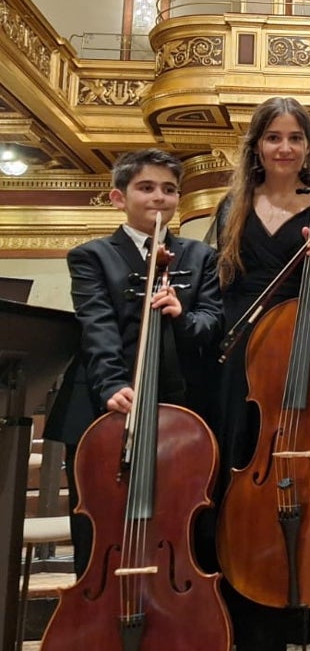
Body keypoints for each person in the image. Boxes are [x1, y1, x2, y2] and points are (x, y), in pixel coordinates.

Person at [204, 96, 310, 651]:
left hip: (302, 369)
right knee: (240, 505)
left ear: (308, 148)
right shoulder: (231, 210)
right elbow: (218, 290)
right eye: (273, 137)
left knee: (297, 501)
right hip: (240, 367)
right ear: (255, 146)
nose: (284, 148)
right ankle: (245, 650)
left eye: (294, 138)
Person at [44, 149, 222, 581]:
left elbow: (212, 324)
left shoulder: (200, 257)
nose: (159, 198)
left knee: (184, 519)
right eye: (146, 188)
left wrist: (183, 314)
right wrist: (111, 385)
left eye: (169, 189)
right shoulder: (92, 256)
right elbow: (96, 324)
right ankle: (97, 619)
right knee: (100, 522)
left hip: (182, 407)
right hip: (106, 404)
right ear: (118, 197)